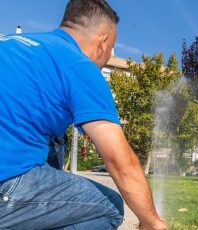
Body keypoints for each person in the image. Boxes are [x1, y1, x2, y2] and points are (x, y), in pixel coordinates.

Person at [0, 0, 167, 229]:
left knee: (57, 137)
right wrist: (152, 222)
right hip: (5, 186)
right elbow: (120, 162)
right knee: (109, 206)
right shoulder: (78, 65)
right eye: (111, 48)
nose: (107, 56)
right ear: (103, 41)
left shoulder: (11, 43)